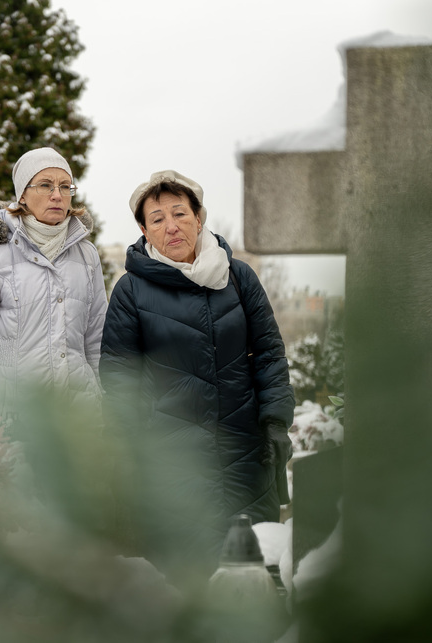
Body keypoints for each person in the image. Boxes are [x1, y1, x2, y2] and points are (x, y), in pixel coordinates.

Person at [100, 170, 295, 584]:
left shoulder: (238, 277)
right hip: (173, 460)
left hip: (244, 452)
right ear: (143, 230)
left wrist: (276, 421)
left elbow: (269, 353)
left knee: (255, 575)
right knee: (187, 580)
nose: (171, 226)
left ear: (199, 217)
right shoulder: (130, 291)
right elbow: (119, 378)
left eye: (180, 213)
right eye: (157, 219)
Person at [0, 147, 107, 421]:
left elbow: (96, 340)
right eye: (45, 185)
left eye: (65, 186)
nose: (57, 195)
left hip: (79, 417)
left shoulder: (87, 255)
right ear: (22, 194)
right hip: (13, 417)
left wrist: (105, 407)